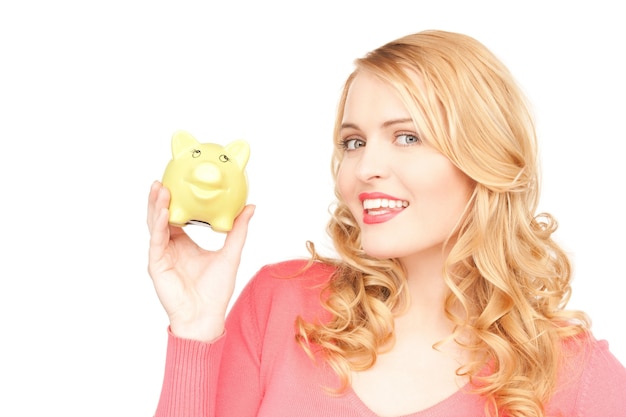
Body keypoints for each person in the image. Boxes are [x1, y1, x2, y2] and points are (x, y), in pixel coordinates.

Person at [146, 30, 626, 417]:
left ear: (484, 159)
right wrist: (194, 330)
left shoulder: (573, 372)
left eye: (407, 136)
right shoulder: (279, 305)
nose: (365, 167)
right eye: (354, 142)